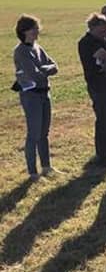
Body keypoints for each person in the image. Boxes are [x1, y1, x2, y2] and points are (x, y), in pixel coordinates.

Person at [14, 15, 59, 180]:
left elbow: (55, 67)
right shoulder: (20, 51)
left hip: (44, 93)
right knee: (34, 133)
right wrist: (44, 70)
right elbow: (34, 75)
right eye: (34, 28)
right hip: (31, 96)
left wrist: (42, 68)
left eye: (37, 28)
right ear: (24, 31)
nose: (37, 31)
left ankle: (46, 167)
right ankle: (33, 172)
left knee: (44, 133)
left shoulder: (38, 48)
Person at [78, 13, 106, 166]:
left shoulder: (101, 40)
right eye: (101, 31)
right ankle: (103, 154)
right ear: (92, 28)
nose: (105, 34)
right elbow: (104, 61)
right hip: (98, 86)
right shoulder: (87, 42)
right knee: (104, 119)